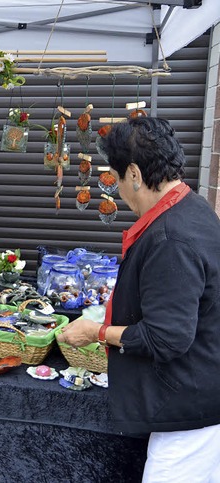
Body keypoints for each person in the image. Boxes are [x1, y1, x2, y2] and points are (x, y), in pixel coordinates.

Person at [56, 117, 220, 481]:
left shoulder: (171, 239)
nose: (115, 189)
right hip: (197, 399)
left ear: (133, 173)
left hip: (190, 416)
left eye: (114, 177)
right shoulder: (191, 208)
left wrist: (98, 332)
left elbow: (167, 336)